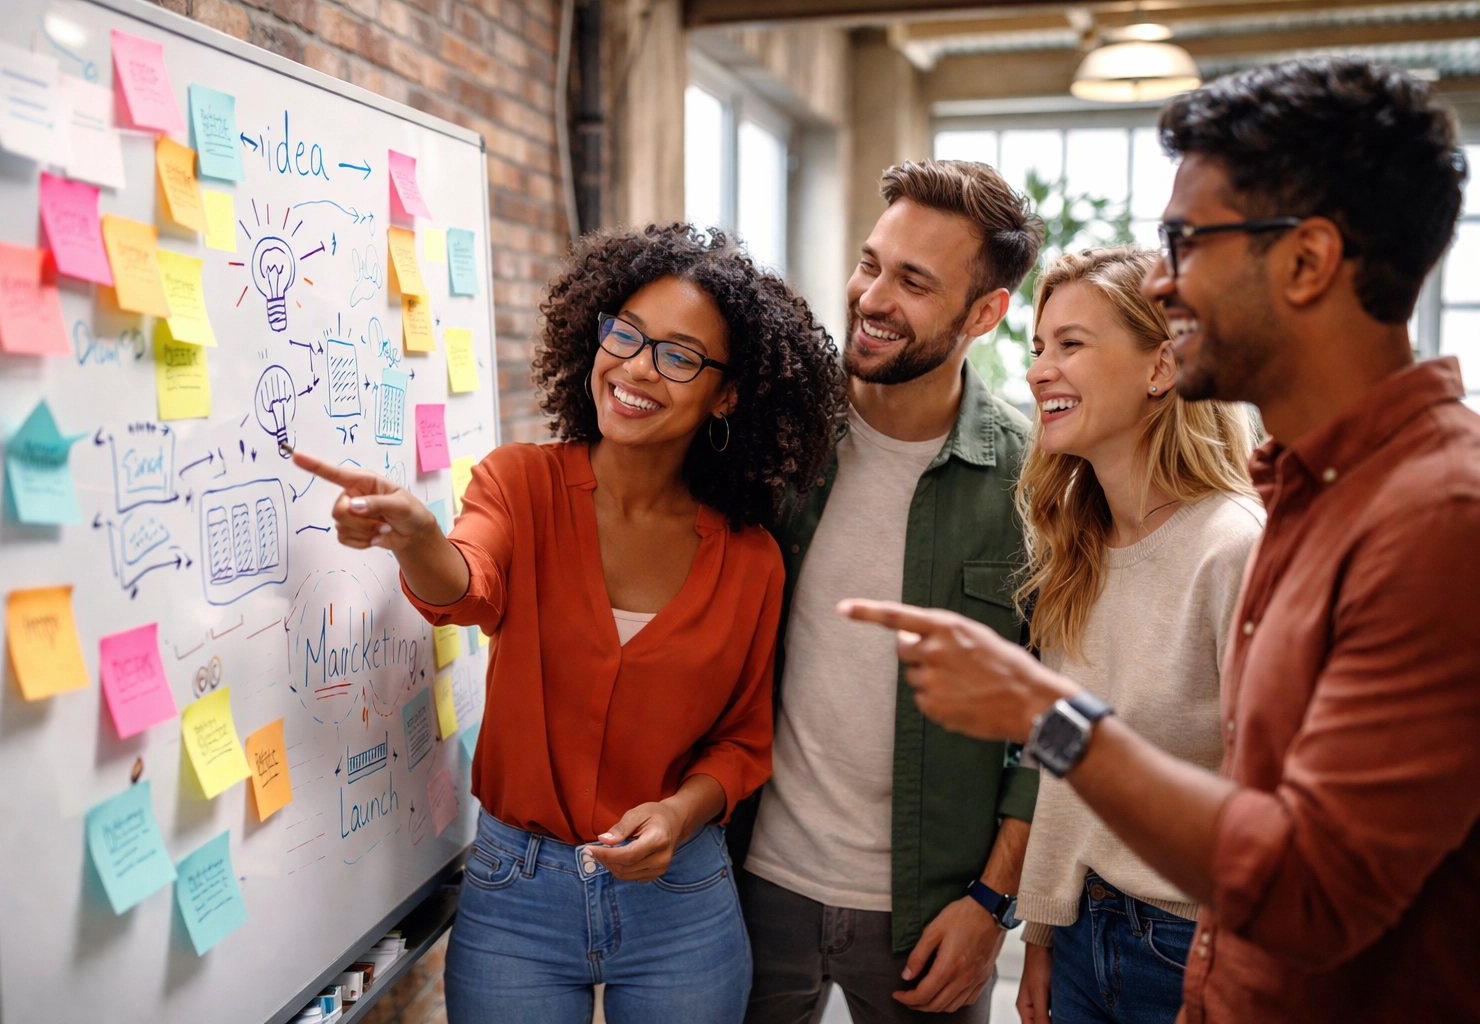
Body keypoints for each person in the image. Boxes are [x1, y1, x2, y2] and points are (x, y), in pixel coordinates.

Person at [839, 58, 1480, 1023]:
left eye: (1187, 241)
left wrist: (1039, 711)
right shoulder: (1312, 493)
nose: (1166, 284)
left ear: (1306, 262)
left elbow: (1309, 892)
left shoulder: (1436, 523)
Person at [295, 223, 845, 1024]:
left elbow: (743, 739)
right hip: (516, 897)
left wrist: (678, 813)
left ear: (727, 395)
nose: (635, 368)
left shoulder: (751, 557)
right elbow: (467, 587)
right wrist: (416, 537)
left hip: (681, 900)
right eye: (625, 334)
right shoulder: (519, 484)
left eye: (679, 355)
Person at [733, 159, 1045, 1024]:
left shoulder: (1036, 485)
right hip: (749, 885)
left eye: (913, 280)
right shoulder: (775, 439)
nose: (872, 297)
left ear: (985, 313)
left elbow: (1059, 724)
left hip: (933, 916)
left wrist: (991, 906)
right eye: (871, 263)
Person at [1006, 247, 1262, 1024]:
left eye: (1071, 344)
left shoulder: (1235, 547)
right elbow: (1063, 767)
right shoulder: (1076, 548)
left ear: (1161, 367)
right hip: (1085, 934)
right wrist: (1044, 937)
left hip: (1192, 951)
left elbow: (1263, 798)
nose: (1039, 370)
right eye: (1038, 347)